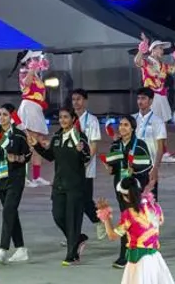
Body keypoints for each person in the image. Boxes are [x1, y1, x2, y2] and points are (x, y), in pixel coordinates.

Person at [27, 106, 92, 265]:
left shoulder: (80, 137)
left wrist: (81, 150)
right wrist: (37, 146)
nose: (62, 120)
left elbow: (86, 158)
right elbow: (50, 156)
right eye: (61, 117)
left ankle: (72, 255)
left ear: (73, 119)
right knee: (58, 216)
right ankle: (77, 239)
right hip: (59, 185)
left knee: (73, 220)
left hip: (75, 186)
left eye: (66, 117)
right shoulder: (57, 137)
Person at [102, 115, 154, 269]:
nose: (122, 127)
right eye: (121, 125)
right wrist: (109, 168)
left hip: (136, 188)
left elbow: (147, 165)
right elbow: (113, 168)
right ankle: (128, 254)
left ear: (132, 128)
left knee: (134, 219)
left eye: (126, 125)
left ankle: (131, 253)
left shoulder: (140, 145)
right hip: (120, 187)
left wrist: (134, 169)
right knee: (127, 218)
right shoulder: (115, 145)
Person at [0, 105, 30, 264]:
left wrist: (18, 158)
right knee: (11, 213)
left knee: (8, 210)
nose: (1, 117)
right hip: (0, 178)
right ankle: (21, 249)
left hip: (15, 179)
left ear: (11, 117)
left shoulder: (19, 136)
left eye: (5, 115)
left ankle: (3, 249)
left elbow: (28, 155)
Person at [70, 89, 105, 231]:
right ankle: (74, 235)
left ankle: (99, 221)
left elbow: (94, 145)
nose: (76, 102)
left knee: (85, 200)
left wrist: (85, 162)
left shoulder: (92, 120)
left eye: (78, 99)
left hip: (86, 167)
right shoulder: (68, 118)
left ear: (85, 101)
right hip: (70, 167)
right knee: (72, 202)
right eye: (73, 99)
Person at [16, 52, 52, 185]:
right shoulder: (24, 72)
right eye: (34, 58)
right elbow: (25, 84)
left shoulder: (36, 74)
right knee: (29, 143)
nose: (37, 60)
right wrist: (32, 69)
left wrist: (39, 66)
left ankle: (36, 177)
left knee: (38, 143)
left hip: (37, 109)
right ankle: (23, 177)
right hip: (29, 108)